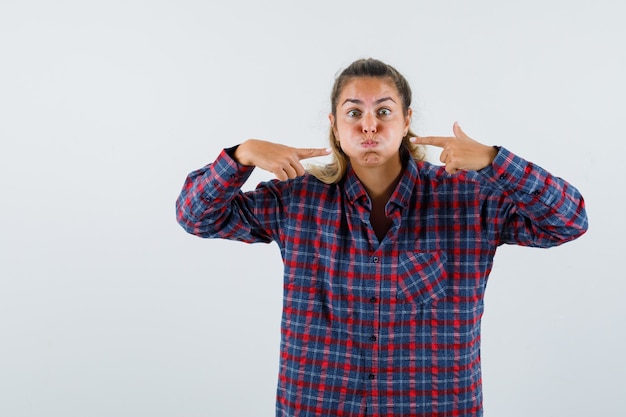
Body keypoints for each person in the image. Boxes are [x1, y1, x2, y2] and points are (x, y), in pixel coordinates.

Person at [175, 58, 588, 417]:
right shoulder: (297, 200)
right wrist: (241, 155)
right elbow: (195, 216)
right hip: (318, 404)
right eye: (354, 113)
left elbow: (568, 221)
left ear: (407, 120)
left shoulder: (467, 198)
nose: (369, 125)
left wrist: (495, 161)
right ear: (334, 126)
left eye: (384, 112)